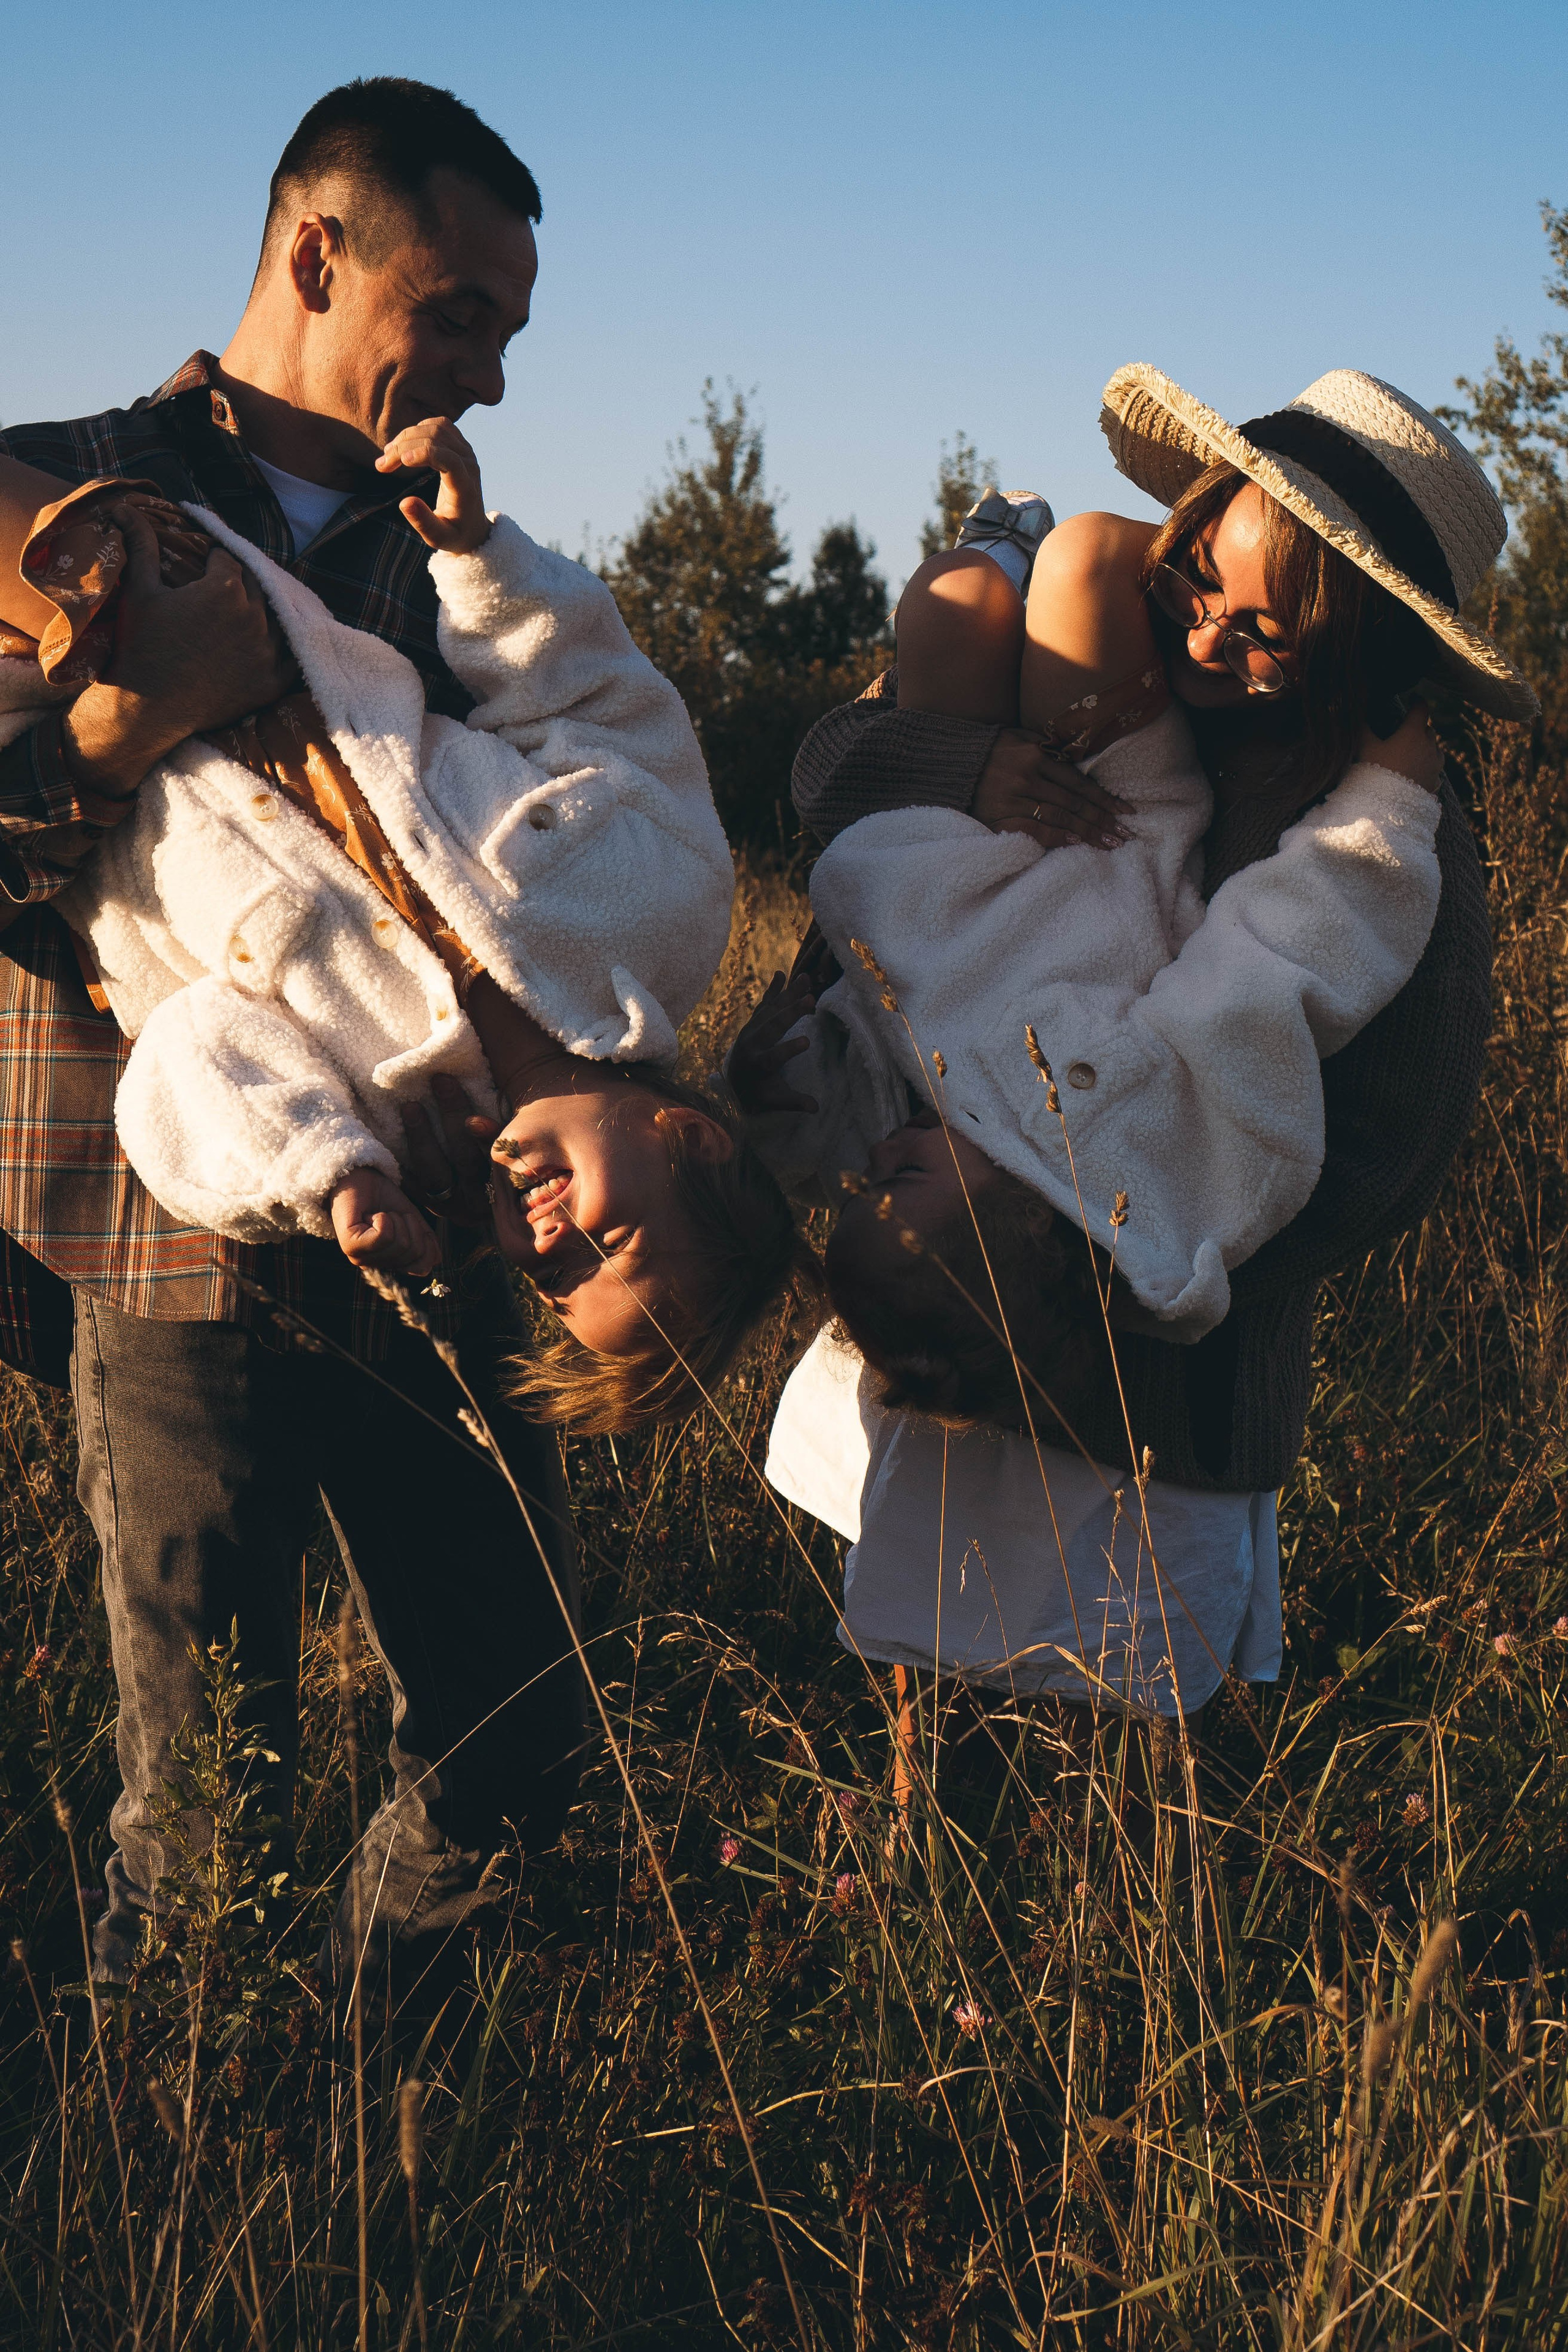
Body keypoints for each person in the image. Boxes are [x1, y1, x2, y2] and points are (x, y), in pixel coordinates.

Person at [0, 76, 784, 1999]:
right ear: (314, 250)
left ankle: (371, 2059)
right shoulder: (52, 483)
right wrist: (122, 721)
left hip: (471, 1242)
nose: (487, 376)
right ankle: (180, 2157)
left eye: (511, 335)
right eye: (456, 317)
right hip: (151, 1227)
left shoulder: (463, 557)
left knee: (520, 1730)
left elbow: (595, 752)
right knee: (203, 1798)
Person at [750, 362, 1526, 1728]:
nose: (1208, 632)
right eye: (1196, 576)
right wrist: (963, 772)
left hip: (1156, 1375)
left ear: (1356, 656)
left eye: (1263, 633)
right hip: (939, 1286)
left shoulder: (1386, 834)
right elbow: (828, 777)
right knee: (910, 1698)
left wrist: (1081, 1228)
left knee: (1107, 1741)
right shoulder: (1110, 673)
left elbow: (1384, 1155)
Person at [0, 439, 800, 1430]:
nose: (550, 1247)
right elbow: (600, 709)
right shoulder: (662, 914)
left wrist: (326, 1171)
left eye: (555, 1288)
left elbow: (183, 1059)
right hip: (239, 638)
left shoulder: (378, 1120)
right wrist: (484, 563)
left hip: (53, 739)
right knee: (103, 545)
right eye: (610, 1245)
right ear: (694, 1136)